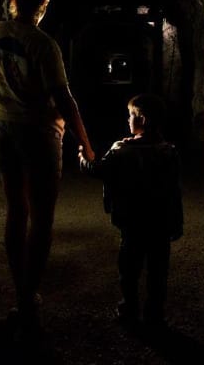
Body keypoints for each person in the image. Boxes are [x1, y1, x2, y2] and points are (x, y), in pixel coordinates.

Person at [0, 0, 96, 332]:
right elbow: (63, 98)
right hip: (37, 133)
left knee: (16, 210)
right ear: (44, 5)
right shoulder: (44, 45)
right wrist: (85, 142)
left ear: (14, 2)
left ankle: (19, 285)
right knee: (42, 216)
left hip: (3, 128)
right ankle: (27, 294)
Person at [78, 93, 184, 326]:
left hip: (132, 222)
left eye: (131, 115)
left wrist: (83, 159)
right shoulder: (169, 152)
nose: (127, 120)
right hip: (160, 224)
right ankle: (154, 314)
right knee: (158, 271)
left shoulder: (121, 150)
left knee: (129, 268)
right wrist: (177, 222)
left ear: (142, 119)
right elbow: (175, 192)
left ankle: (129, 308)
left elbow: (98, 170)